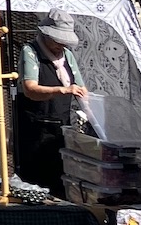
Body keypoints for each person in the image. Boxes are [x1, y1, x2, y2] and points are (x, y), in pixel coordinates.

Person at [14, 13, 87, 195]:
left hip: (60, 128)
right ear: (46, 35)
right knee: (35, 180)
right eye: (57, 41)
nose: (60, 46)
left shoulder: (67, 56)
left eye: (64, 42)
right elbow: (30, 89)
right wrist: (61, 90)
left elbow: (80, 89)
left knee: (59, 180)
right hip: (34, 129)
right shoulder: (30, 51)